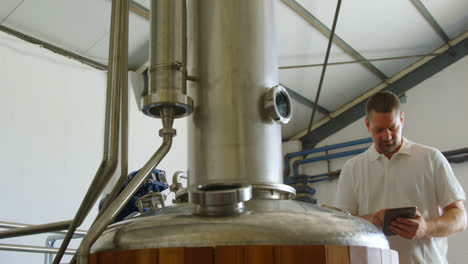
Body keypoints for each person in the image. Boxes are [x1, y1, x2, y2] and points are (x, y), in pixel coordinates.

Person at [335, 91, 466, 264]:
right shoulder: (352, 168)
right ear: (367, 125)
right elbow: (341, 224)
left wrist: (426, 228)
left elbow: (460, 217)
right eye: (379, 130)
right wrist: (373, 220)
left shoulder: (431, 158)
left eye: (393, 127)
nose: (387, 136)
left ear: (402, 119)